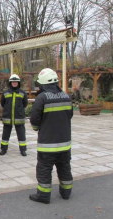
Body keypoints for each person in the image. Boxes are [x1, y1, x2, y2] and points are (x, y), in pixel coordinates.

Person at [29, 68, 73, 204]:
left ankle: (43, 195)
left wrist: (37, 128)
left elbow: (34, 119)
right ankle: (66, 193)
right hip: (65, 144)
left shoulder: (42, 98)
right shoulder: (66, 96)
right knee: (64, 167)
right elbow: (69, 115)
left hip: (47, 145)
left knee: (44, 169)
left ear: (42, 83)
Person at [0, 74, 28, 156]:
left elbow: (25, 104)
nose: (14, 83)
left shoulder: (22, 93)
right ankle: (3, 149)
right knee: (5, 135)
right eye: (13, 82)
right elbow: (2, 103)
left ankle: (23, 150)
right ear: (10, 83)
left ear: (18, 83)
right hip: (7, 118)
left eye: (16, 82)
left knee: (21, 135)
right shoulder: (5, 93)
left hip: (19, 118)